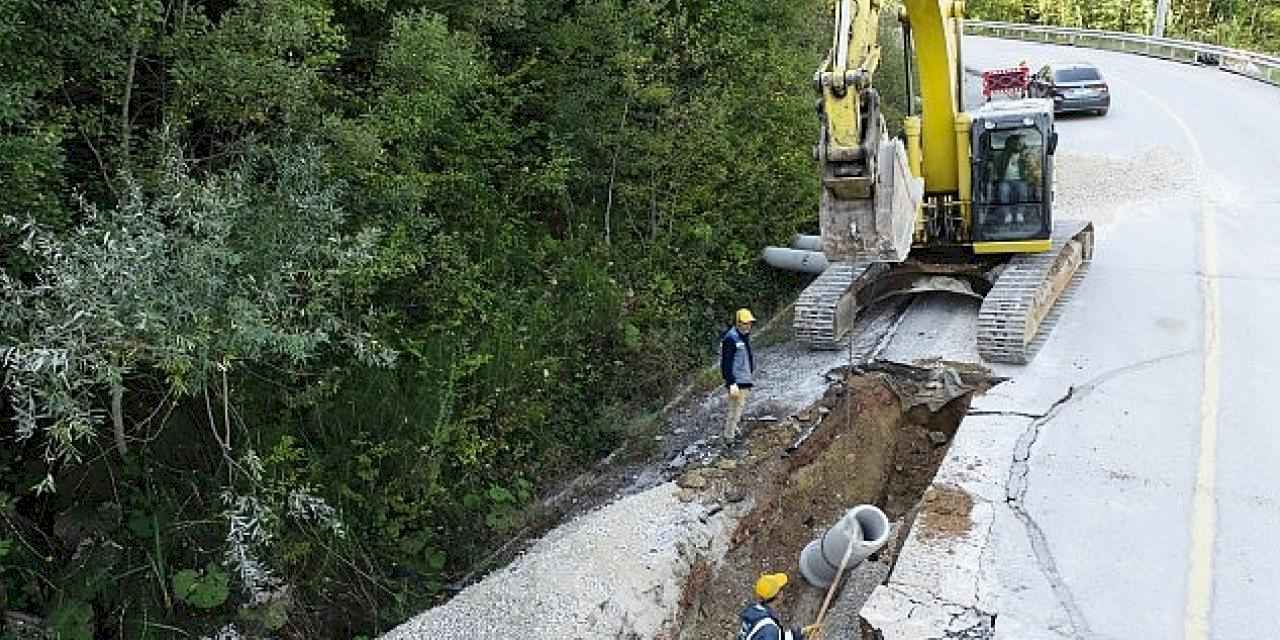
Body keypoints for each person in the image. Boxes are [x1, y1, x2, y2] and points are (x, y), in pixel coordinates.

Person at [737, 573, 817, 640]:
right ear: (779, 595)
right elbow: (769, 634)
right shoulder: (769, 629)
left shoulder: (754, 612)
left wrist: (800, 633)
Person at [721, 308, 756, 440]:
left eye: (749, 323)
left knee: (738, 409)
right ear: (738, 323)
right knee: (734, 410)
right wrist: (731, 383)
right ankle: (729, 438)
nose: (748, 326)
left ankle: (733, 429)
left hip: (744, 380)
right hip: (737, 382)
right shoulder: (731, 339)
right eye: (745, 323)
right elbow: (726, 363)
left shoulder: (743, 336)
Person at [991, 133, 1042, 224]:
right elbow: (996, 167)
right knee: (1003, 191)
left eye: (1019, 144)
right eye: (1014, 143)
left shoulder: (1026, 155)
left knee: (1023, 191)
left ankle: (1020, 213)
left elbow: (1032, 168)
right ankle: (1007, 214)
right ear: (1009, 144)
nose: (1017, 146)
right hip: (1005, 180)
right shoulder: (1003, 155)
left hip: (1020, 180)